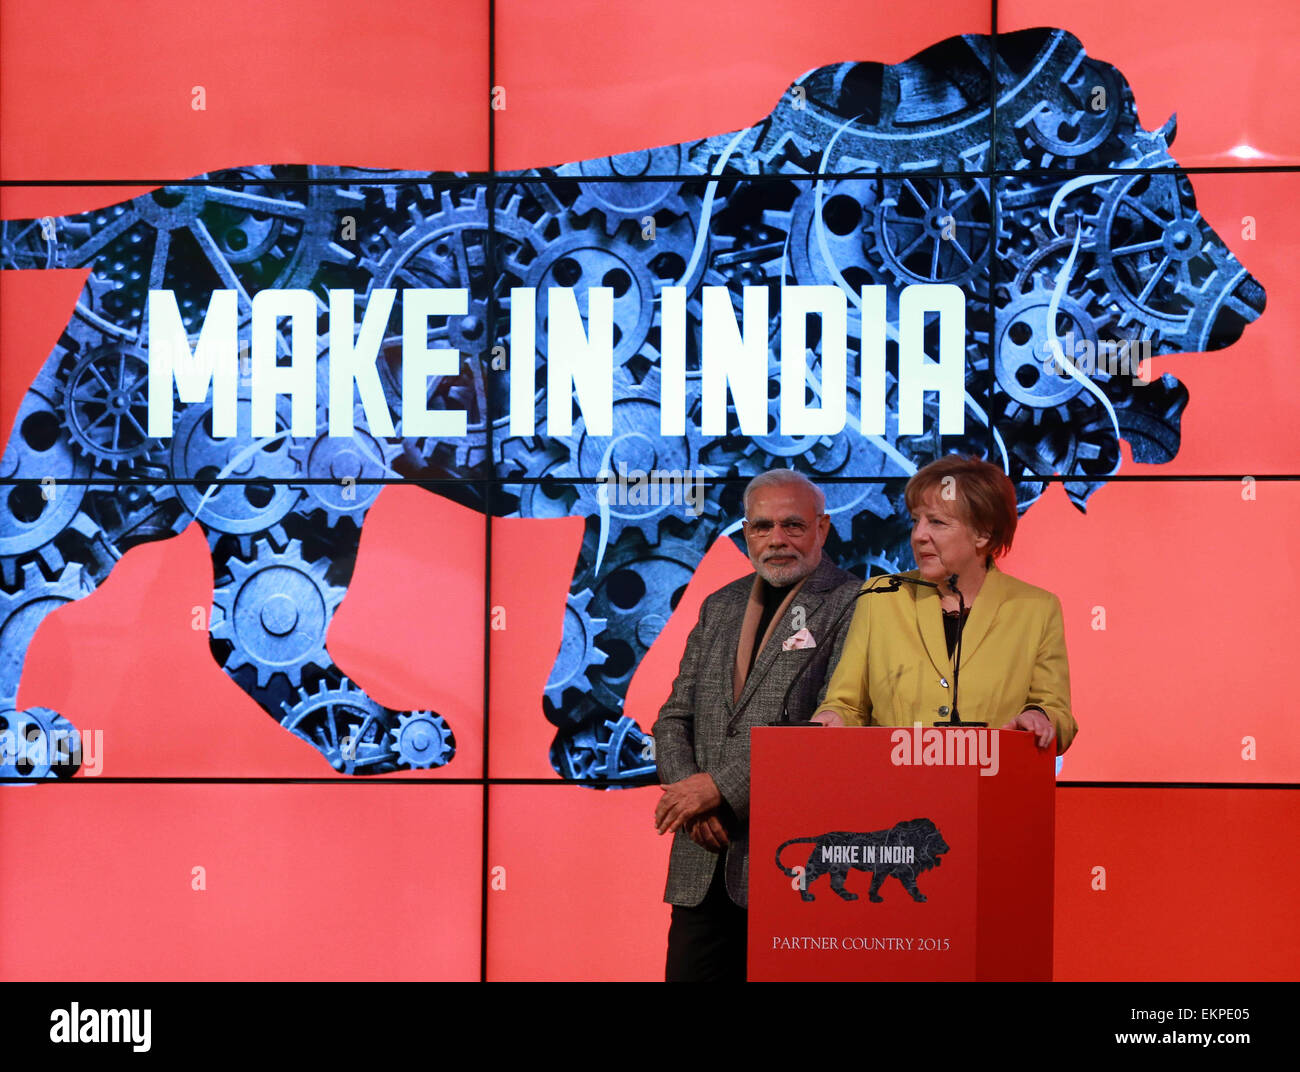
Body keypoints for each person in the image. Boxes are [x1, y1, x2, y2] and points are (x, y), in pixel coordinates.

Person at [652, 469, 861, 982]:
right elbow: (673, 717)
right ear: (746, 532)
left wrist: (718, 788)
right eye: (762, 527)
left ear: (823, 529)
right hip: (702, 859)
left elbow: (828, 729)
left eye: (793, 525)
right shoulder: (718, 604)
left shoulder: (858, 602)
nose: (777, 540)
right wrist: (690, 800)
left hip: (794, 864)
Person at [815, 455, 1076, 751]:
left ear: (983, 533)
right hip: (896, 789)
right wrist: (832, 717)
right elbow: (846, 704)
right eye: (916, 521)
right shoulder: (881, 596)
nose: (918, 535)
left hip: (990, 787)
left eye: (937, 522)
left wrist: (1040, 717)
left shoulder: (1036, 609)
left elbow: (1058, 714)